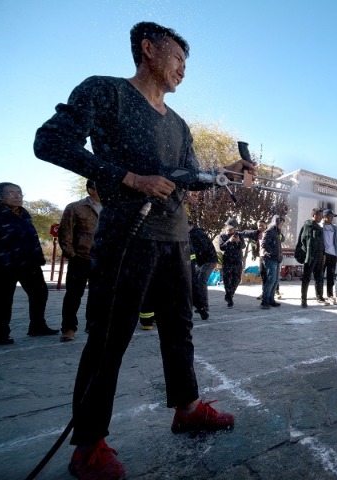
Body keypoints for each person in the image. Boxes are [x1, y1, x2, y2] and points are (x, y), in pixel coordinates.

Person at [34, 22, 248, 479]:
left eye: (187, 66)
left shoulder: (179, 124)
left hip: (174, 237)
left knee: (179, 328)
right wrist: (128, 178)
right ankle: (88, 444)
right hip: (126, 236)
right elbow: (48, 141)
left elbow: (186, 179)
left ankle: (187, 408)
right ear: (148, 49)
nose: (183, 71)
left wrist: (224, 173)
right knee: (109, 337)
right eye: (178, 60)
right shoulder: (104, 93)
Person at [0, 182, 58, 345]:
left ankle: (37, 325)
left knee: (40, 293)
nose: (17, 196)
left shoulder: (24, 214)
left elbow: (32, 238)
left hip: (29, 263)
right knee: (3, 299)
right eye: (12, 193)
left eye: (20, 193)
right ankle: (1, 333)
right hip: (4, 265)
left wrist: (38, 257)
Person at [59, 180, 101, 341]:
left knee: (98, 294)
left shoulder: (112, 207)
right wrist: (72, 255)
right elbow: (65, 232)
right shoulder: (75, 208)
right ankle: (68, 328)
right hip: (81, 258)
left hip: (103, 259)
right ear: (91, 189)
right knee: (73, 295)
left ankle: (93, 325)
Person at [219, 218, 259, 308]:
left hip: (237, 261)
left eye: (233, 228)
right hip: (227, 261)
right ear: (226, 227)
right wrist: (229, 241)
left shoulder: (238, 235)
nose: (231, 230)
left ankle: (230, 294)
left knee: (236, 280)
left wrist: (238, 241)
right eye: (229, 228)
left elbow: (243, 246)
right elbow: (222, 247)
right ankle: (229, 298)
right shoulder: (223, 236)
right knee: (227, 280)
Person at [189, 220, 217, 319]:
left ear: (190, 225)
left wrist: (195, 257)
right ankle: (200, 305)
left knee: (201, 281)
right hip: (203, 261)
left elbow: (202, 248)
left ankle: (204, 305)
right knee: (195, 281)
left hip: (209, 260)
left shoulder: (196, 233)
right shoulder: (193, 233)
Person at [297, 208, 324, 307]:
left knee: (319, 277)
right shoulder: (308, 226)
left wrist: (323, 254)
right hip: (310, 256)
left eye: (321, 216)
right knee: (306, 278)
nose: (321, 218)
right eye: (319, 216)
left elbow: (321, 242)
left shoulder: (319, 227)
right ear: (314, 215)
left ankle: (319, 297)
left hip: (319, 256)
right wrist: (308, 252)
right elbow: (303, 240)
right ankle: (303, 300)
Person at [260, 215, 286, 309]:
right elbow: (264, 244)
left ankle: (271, 299)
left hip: (277, 259)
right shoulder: (269, 231)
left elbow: (282, 239)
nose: (281, 224)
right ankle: (264, 301)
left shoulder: (277, 232)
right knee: (270, 280)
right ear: (276, 222)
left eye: (282, 223)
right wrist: (271, 252)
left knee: (275, 281)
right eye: (280, 222)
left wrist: (280, 233)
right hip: (270, 258)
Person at [321, 209, 337, 305]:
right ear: (325, 217)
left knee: (331, 276)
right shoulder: (320, 226)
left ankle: (330, 295)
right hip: (323, 254)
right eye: (330, 216)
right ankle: (320, 296)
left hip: (333, 254)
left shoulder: (334, 227)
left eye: (332, 217)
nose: (331, 218)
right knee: (320, 275)